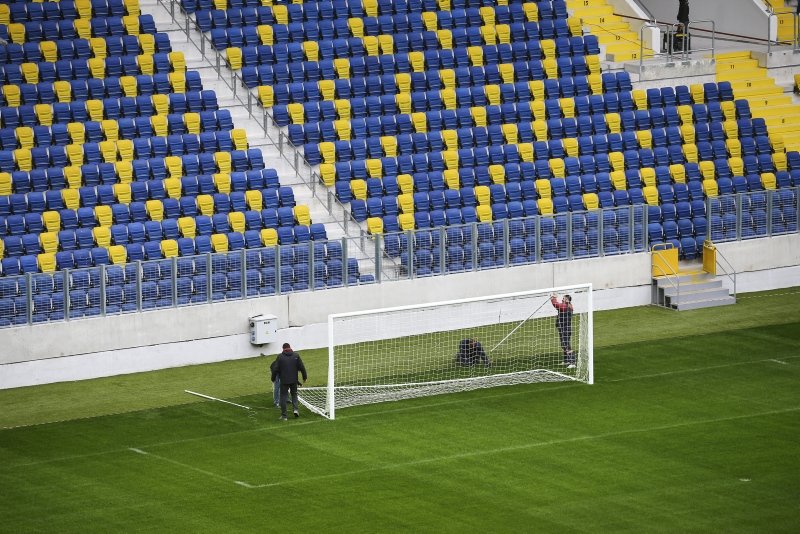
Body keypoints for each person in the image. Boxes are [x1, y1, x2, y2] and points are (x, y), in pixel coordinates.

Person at [271, 342, 307, 420]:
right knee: (294, 395)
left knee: (283, 397)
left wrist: (273, 378)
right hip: (294, 380)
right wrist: (304, 377)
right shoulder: (296, 355)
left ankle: (284, 416)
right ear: (290, 347)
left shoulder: (280, 357)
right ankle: (296, 410)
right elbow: (302, 367)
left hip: (284, 381)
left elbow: (275, 369)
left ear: (283, 349)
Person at [550, 294, 575, 369]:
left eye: (563, 298)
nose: (562, 299)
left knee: (566, 345)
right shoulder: (568, 306)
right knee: (564, 344)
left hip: (565, 329)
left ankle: (572, 362)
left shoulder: (565, 306)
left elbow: (556, 305)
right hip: (564, 328)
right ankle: (566, 360)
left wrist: (553, 298)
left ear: (567, 300)